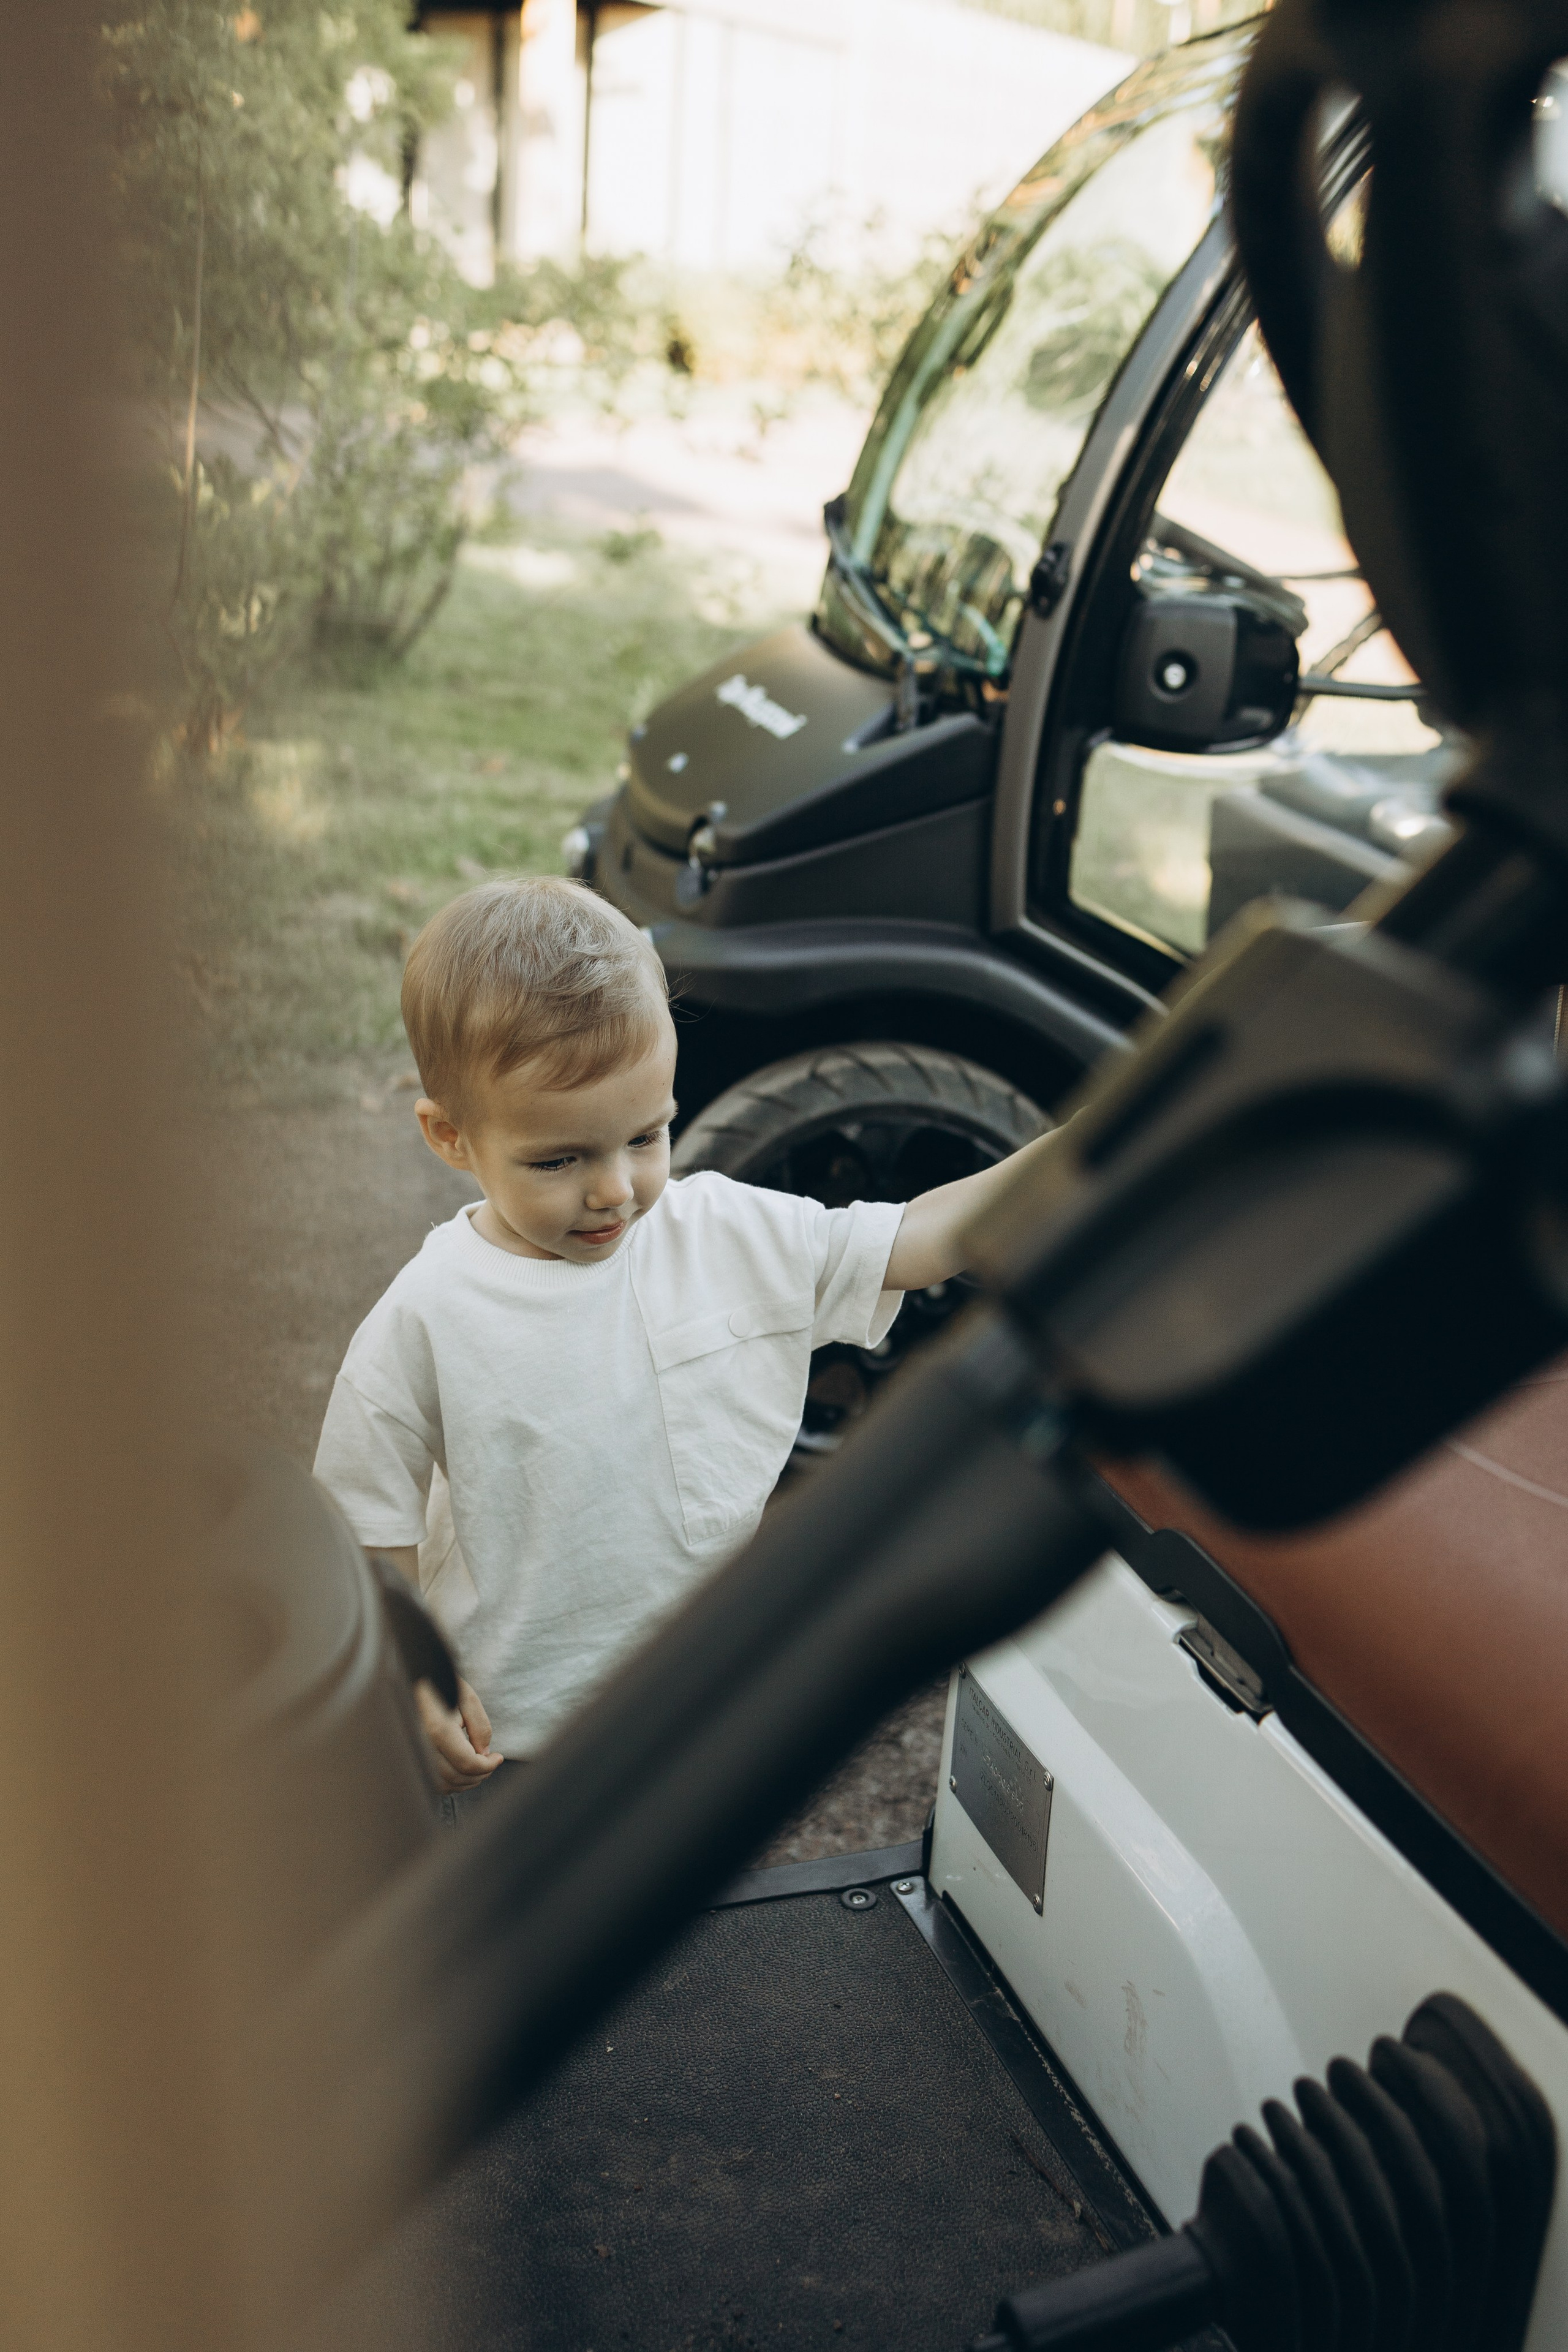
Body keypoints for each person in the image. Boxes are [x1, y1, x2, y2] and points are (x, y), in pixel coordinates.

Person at [313, 878, 1057, 1825]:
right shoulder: (428, 1314)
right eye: (558, 1160)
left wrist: (1100, 1145)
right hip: (514, 1740)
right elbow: (367, 1518)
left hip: (690, 1709)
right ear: (450, 1136)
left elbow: (914, 1238)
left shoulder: (724, 1233)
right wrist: (414, 1678)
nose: (615, 1190)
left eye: (647, 1135)